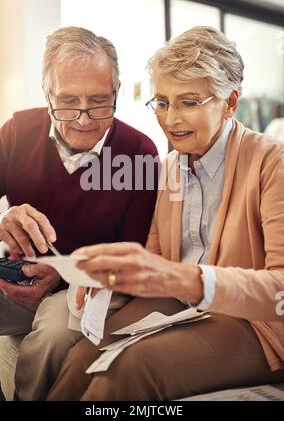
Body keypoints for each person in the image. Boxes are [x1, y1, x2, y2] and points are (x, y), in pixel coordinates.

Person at [47, 26, 284, 401]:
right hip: (181, 306)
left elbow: (280, 289)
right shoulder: (170, 166)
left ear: (230, 101)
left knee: (127, 368)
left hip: (254, 322)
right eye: (161, 102)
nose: (170, 119)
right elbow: (159, 258)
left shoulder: (274, 163)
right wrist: (112, 276)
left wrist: (185, 279)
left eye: (189, 102)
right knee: (81, 359)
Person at [0, 27, 159, 400]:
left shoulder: (140, 153)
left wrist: (64, 273)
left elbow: (138, 254)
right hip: (17, 280)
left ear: (116, 92)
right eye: (67, 102)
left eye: (99, 101)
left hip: (85, 287)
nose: (83, 119)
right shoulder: (17, 131)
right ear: (47, 94)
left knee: (51, 337)